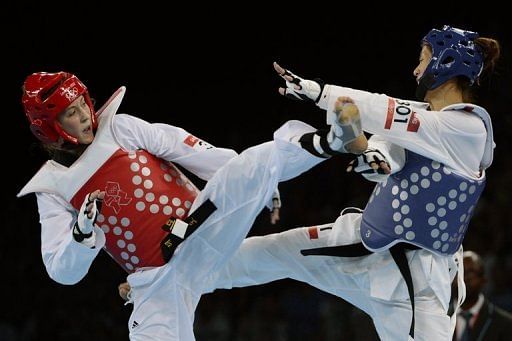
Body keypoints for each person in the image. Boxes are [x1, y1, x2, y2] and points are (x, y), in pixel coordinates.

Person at [119, 25, 500, 340]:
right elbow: (390, 145)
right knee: (271, 252)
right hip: (363, 243)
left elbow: (385, 113)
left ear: (446, 63)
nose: (416, 71)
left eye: (423, 60)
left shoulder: (466, 129)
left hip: (415, 284)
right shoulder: (427, 118)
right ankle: (160, 281)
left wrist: (320, 93)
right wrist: (377, 158)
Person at [17, 71, 367, 340]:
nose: (84, 116)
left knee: (242, 169)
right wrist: (82, 234)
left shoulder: (120, 128)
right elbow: (62, 271)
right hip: (158, 280)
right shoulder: (53, 190)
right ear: (49, 128)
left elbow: (195, 152)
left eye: (82, 104)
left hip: (200, 227)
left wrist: (263, 183)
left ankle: (327, 141)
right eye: (71, 115)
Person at [453, 251, 512, 341]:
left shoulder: (504, 323)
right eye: (459, 272)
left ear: (483, 280)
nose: (464, 278)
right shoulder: (437, 315)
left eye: (470, 272)